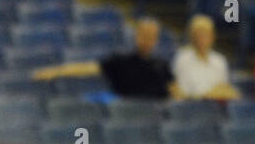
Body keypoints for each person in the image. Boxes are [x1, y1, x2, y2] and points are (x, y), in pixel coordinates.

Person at [33, 18, 178, 100]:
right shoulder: (121, 61)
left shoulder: (162, 66)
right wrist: (55, 71)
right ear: (136, 36)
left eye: (151, 37)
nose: (147, 41)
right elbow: (88, 69)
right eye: (144, 36)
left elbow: (176, 92)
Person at [172, 14, 239, 101]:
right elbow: (182, 92)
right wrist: (207, 95)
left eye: (206, 34)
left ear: (213, 36)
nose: (203, 39)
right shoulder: (183, 58)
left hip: (215, 107)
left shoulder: (220, 60)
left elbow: (224, 88)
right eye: (199, 34)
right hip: (191, 106)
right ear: (192, 36)